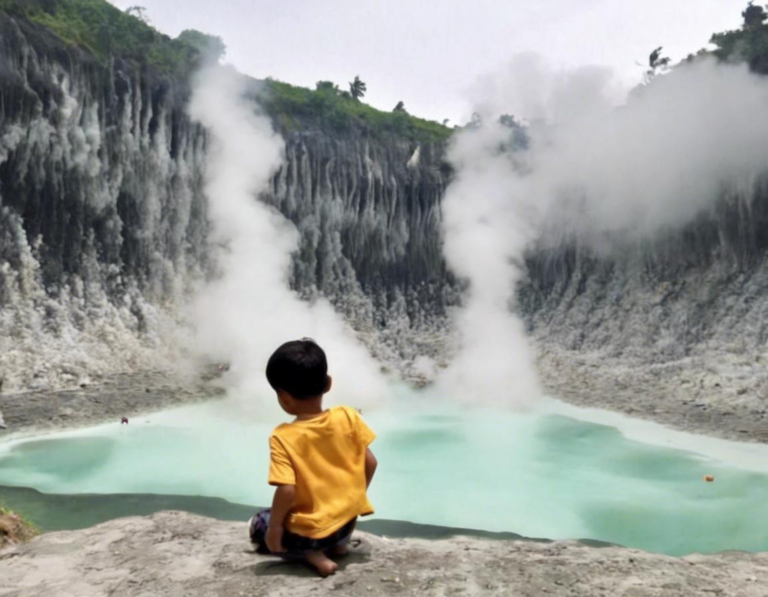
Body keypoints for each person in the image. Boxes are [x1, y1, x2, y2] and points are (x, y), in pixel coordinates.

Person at [249, 339, 378, 577]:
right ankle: (340, 545)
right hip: (347, 521)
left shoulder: (283, 436)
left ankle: (313, 556)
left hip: (311, 534)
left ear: (284, 398)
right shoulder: (348, 416)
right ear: (328, 384)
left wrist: (276, 527)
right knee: (330, 517)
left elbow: (287, 491)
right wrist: (352, 498)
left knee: (260, 522)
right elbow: (371, 462)